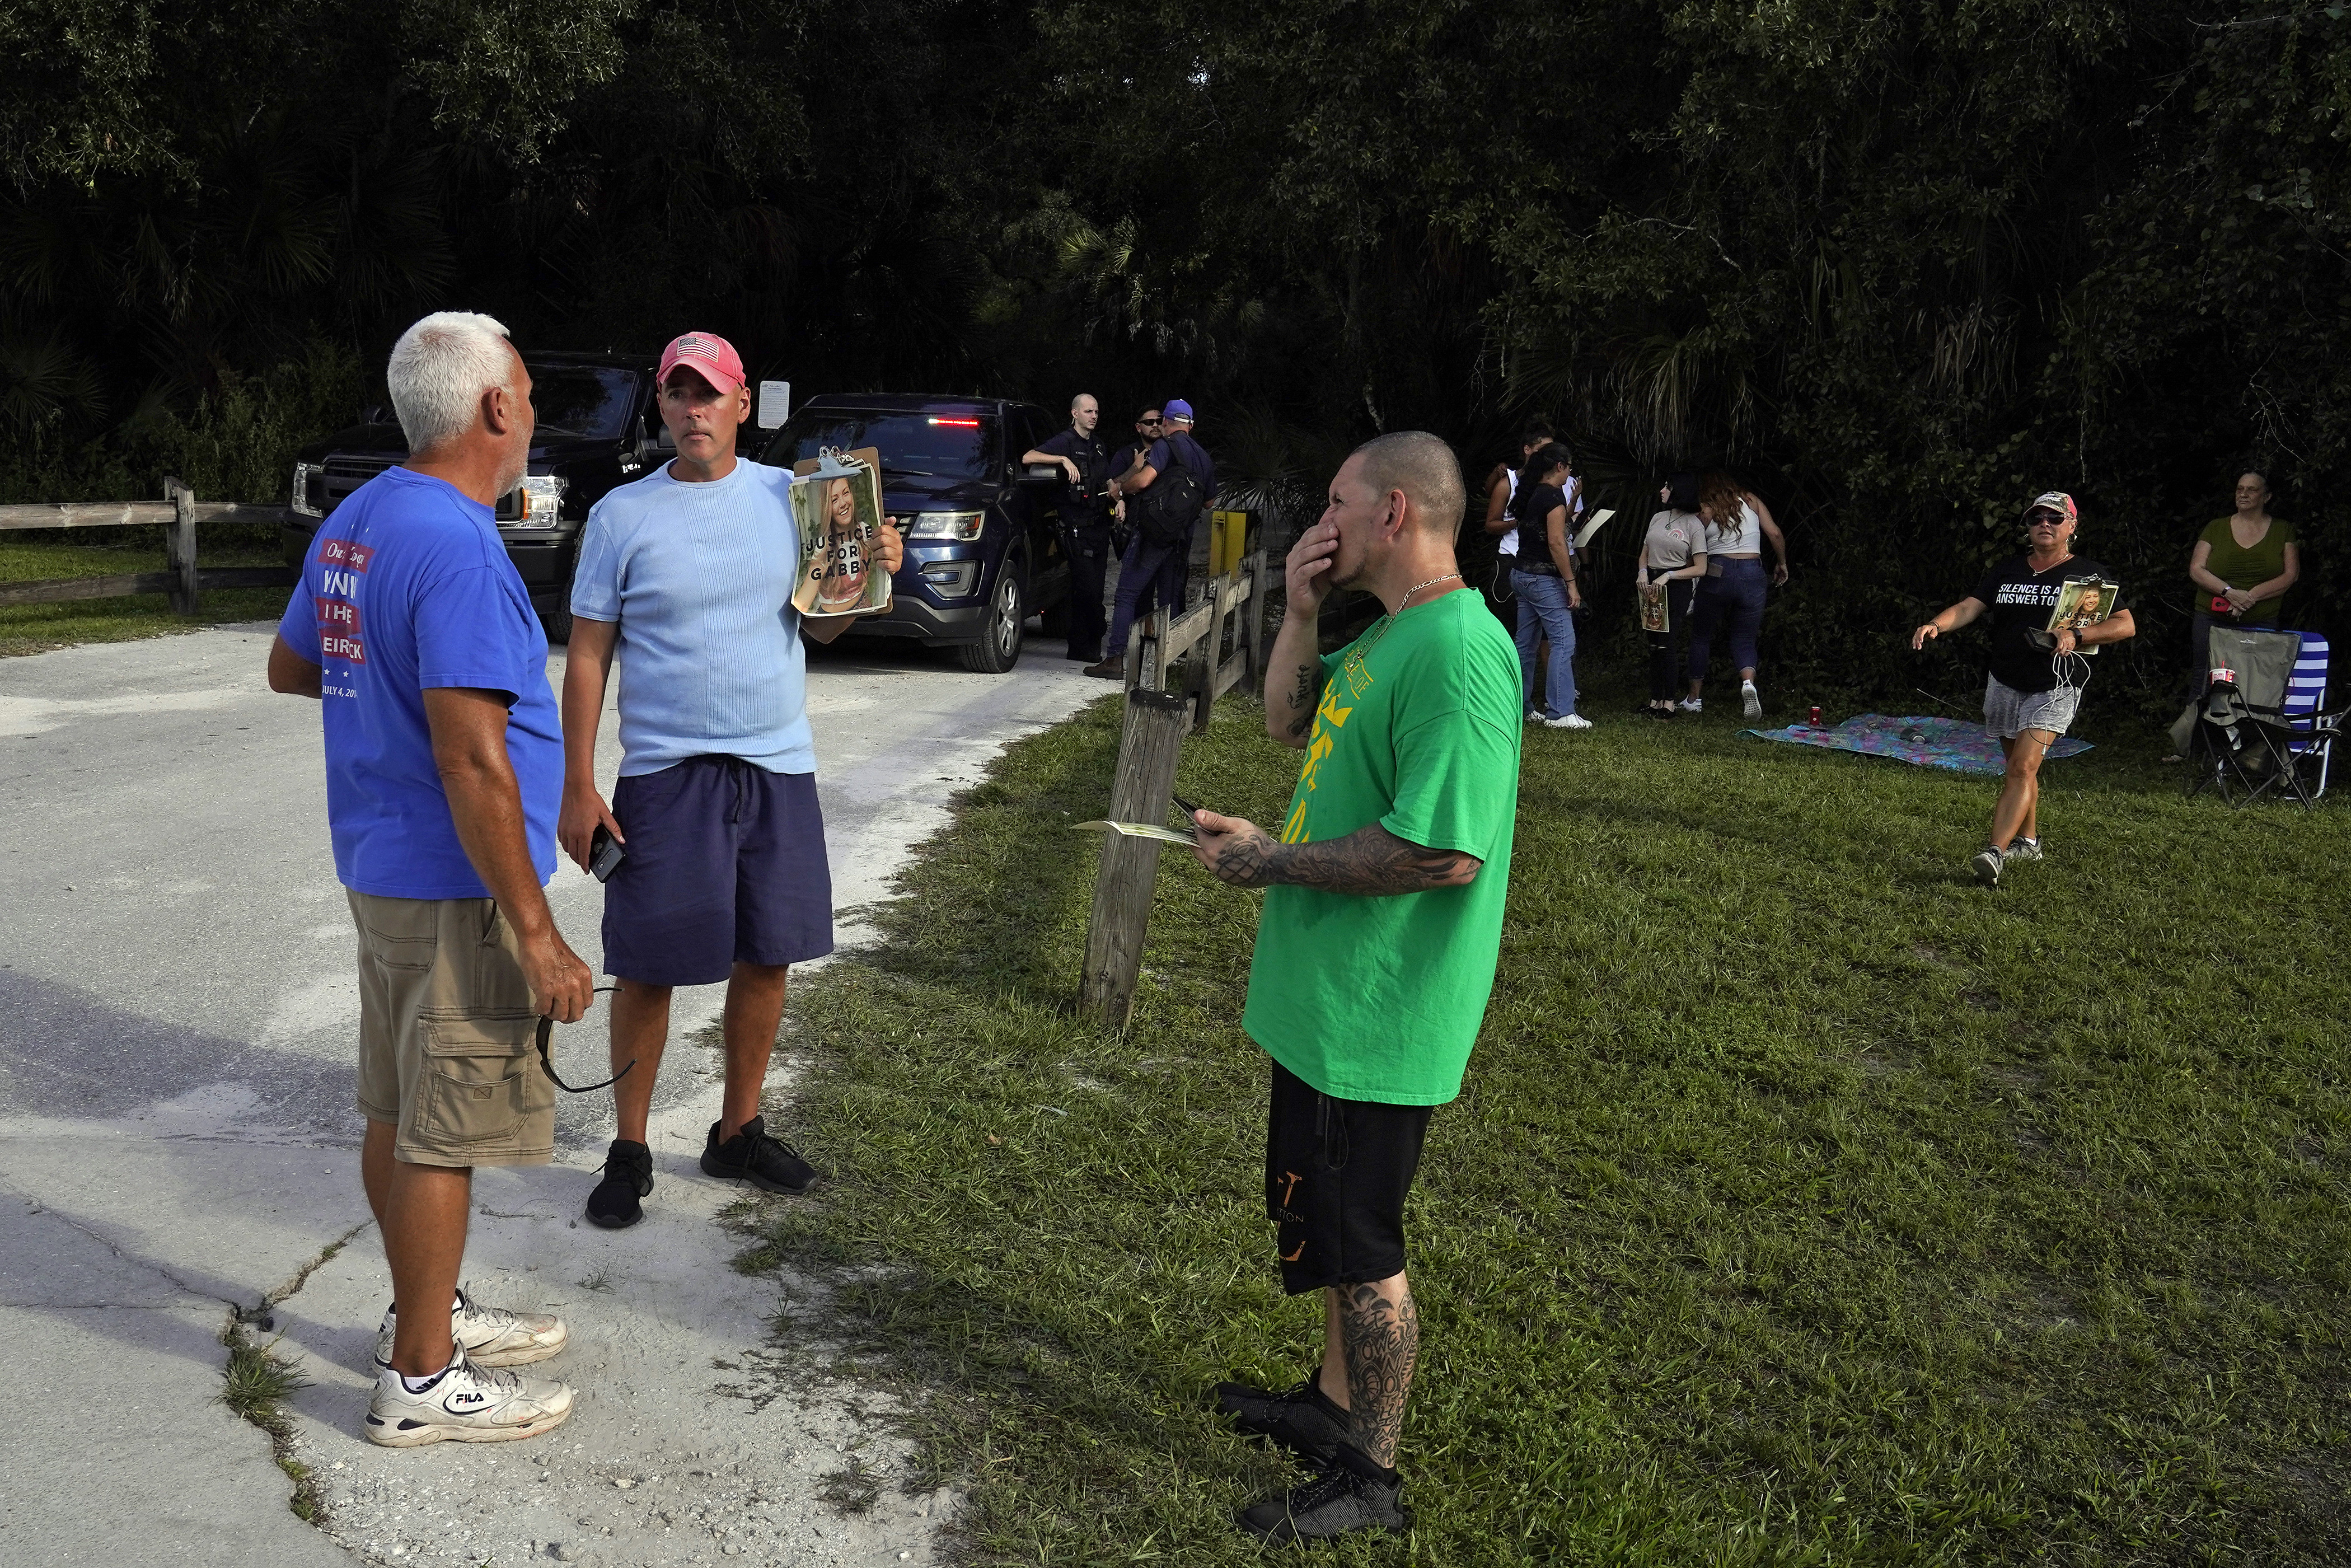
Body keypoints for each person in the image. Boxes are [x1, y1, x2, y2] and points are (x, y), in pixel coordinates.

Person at [1188, 432, 1521, 1543]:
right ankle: (1331, 1405)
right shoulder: (1389, 633)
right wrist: (1295, 609)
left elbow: (1446, 854)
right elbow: (1287, 722)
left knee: (1361, 1234)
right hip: (1325, 1000)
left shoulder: (1460, 652)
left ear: (1394, 513)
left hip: (1377, 1010)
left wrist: (1270, 861)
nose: (1318, 524)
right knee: (1320, 1218)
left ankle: (1371, 1471)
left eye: (1335, 503)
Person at [267, 310, 592, 1445]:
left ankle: (428, 1307)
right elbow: (472, 756)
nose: (536, 414)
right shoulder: (456, 544)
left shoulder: (362, 512)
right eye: (531, 394)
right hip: (454, 885)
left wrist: (384, 711)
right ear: (497, 409)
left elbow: (293, 663)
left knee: (397, 1103)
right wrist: (538, 928)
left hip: (382, 862)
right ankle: (420, 1376)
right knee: (442, 1127)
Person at [557, 331, 903, 1229]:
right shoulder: (622, 515)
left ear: (743, 403)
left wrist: (872, 573)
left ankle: (737, 1131)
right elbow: (589, 655)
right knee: (645, 966)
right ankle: (630, 1149)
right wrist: (578, 784)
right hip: (667, 775)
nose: (692, 409)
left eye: (708, 393)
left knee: (768, 953)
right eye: (677, 394)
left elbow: (824, 632)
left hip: (777, 763)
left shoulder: (799, 500)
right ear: (661, 408)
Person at [1911, 491, 2135, 888]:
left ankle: (1995, 851)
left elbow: (2124, 624)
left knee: (2023, 767)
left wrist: (2077, 633)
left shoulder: (2089, 576)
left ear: (2072, 526)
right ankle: (2029, 842)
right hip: (2005, 681)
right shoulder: (2009, 569)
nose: (2044, 524)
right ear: (2028, 526)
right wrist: (1937, 624)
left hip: (2055, 684)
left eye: (2054, 517)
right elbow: (1970, 606)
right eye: (2036, 518)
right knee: (2020, 769)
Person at [1086, 397, 1216, 678]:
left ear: (1167, 423)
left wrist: (1121, 489)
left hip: (1153, 533)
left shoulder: (1164, 446)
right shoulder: (1204, 457)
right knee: (1169, 597)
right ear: (1191, 425)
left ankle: (1114, 660)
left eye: (1162, 422)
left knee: (1127, 593)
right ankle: (1164, 662)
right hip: (1181, 537)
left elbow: (1144, 480)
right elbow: (1209, 503)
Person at [1682, 471, 1789, 719]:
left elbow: (1693, 547)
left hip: (1718, 571)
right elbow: (1774, 533)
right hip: (1753, 573)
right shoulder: (1751, 500)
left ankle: (1694, 699)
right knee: (1744, 637)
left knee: (1701, 635)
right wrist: (1782, 563)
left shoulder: (1704, 509)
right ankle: (1748, 683)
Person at [1022, 394, 1116, 662]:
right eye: (1088, 411)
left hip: (1098, 528)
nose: (1094, 416)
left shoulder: (1098, 446)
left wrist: (1117, 499)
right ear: (1075, 414)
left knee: (1096, 590)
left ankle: (1087, 649)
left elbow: (1107, 480)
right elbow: (1028, 457)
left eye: (1096, 411)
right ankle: (1083, 645)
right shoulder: (1065, 441)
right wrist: (1061, 460)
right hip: (1076, 529)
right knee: (1086, 590)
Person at [1505, 441, 1589, 728]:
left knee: (1525, 645)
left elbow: (1551, 526)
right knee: (1563, 642)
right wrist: (1572, 583)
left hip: (1521, 574)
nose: (1570, 473)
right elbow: (1556, 542)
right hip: (1543, 579)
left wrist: (1573, 500)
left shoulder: (1531, 492)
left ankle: (1520, 707)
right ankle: (1560, 712)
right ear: (1560, 467)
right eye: (1569, 467)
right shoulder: (1552, 496)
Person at [2187, 469, 2298, 672]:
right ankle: (2198, 706)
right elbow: (2196, 569)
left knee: (2257, 680)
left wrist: (2249, 598)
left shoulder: (2283, 530)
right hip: (2212, 619)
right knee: (2204, 676)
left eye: (2252, 490)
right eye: (2240, 489)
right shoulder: (2216, 527)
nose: (2243, 494)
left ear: (2267, 497)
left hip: (2262, 620)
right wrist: (2230, 593)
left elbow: (2290, 575)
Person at [1637, 474, 1710, 717]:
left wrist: (1669, 575)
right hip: (1651, 585)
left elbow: (1701, 567)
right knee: (1654, 644)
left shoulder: (1694, 525)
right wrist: (1643, 572)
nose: (1662, 490)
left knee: (1668, 643)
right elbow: (1645, 551)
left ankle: (1669, 701)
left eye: (1667, 487)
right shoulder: (1659, 517)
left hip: (1675, 586)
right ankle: (1654, 699)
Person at [1478, 420, 1554, 601]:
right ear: (1528, 449)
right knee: (1508, 622)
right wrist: (1518, 522)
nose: (1547, 455)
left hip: (1545, 563)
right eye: (1542, 449)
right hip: (1511, 559)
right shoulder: (1508, 483)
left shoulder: (1556, 483)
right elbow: (1490, 525)